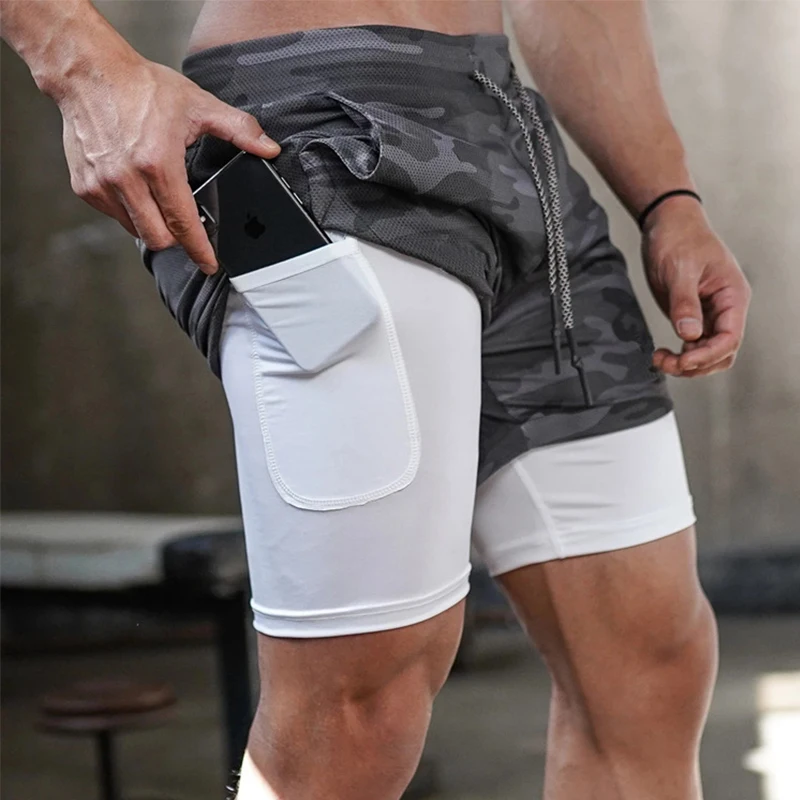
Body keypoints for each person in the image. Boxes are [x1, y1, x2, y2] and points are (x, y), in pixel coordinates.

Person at [2, 1, 751, 798]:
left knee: (649, 669)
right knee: (356, 716)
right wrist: (82, 66)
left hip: (520, 152)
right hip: (327, 134)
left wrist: (669, 201)